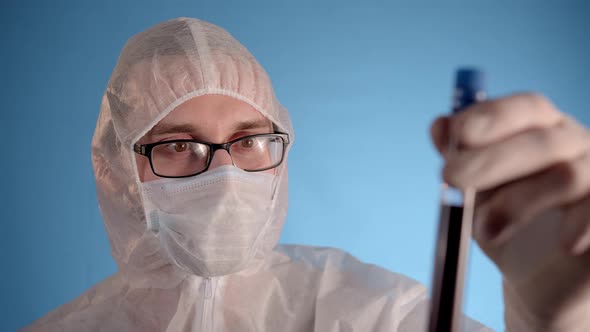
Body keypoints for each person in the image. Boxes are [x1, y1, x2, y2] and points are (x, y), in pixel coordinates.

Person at [22, 17, 590, 331]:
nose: (223, 173)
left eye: (249, 140)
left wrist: (557, 325)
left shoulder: (371, 313)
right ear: (115, 169)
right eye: (178, 145)